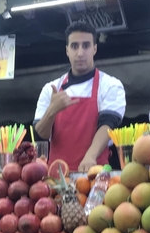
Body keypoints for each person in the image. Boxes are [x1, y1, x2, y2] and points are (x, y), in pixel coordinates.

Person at [34, 21, 126, 172]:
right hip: (56, 177)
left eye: (86, 45)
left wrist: (90, 156)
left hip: (94, 173)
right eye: (74, 46)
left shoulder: (110, 85)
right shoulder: (51, 88)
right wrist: (52, 111)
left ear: (95, 48)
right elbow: (41, 135)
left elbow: (108, 125)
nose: (80, 53)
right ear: (67, 50)